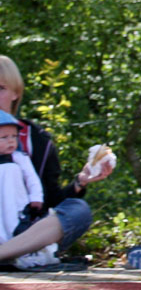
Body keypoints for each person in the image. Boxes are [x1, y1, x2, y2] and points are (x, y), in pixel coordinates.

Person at [0, 55, 112, 268]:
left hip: (26, 230)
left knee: (78, 210)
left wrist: (81, 182)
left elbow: (51, 201)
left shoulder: (37, 140)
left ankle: (7, 253)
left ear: (16, 93)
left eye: (0, 88)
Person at [0, 109, 50, 269]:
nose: (11, 141)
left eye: (14, 137)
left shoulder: (19, 158)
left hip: (16, 203)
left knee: (16, 226)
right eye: (4, 137)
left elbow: (32, 178)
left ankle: (17, 252)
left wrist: (37, 197)